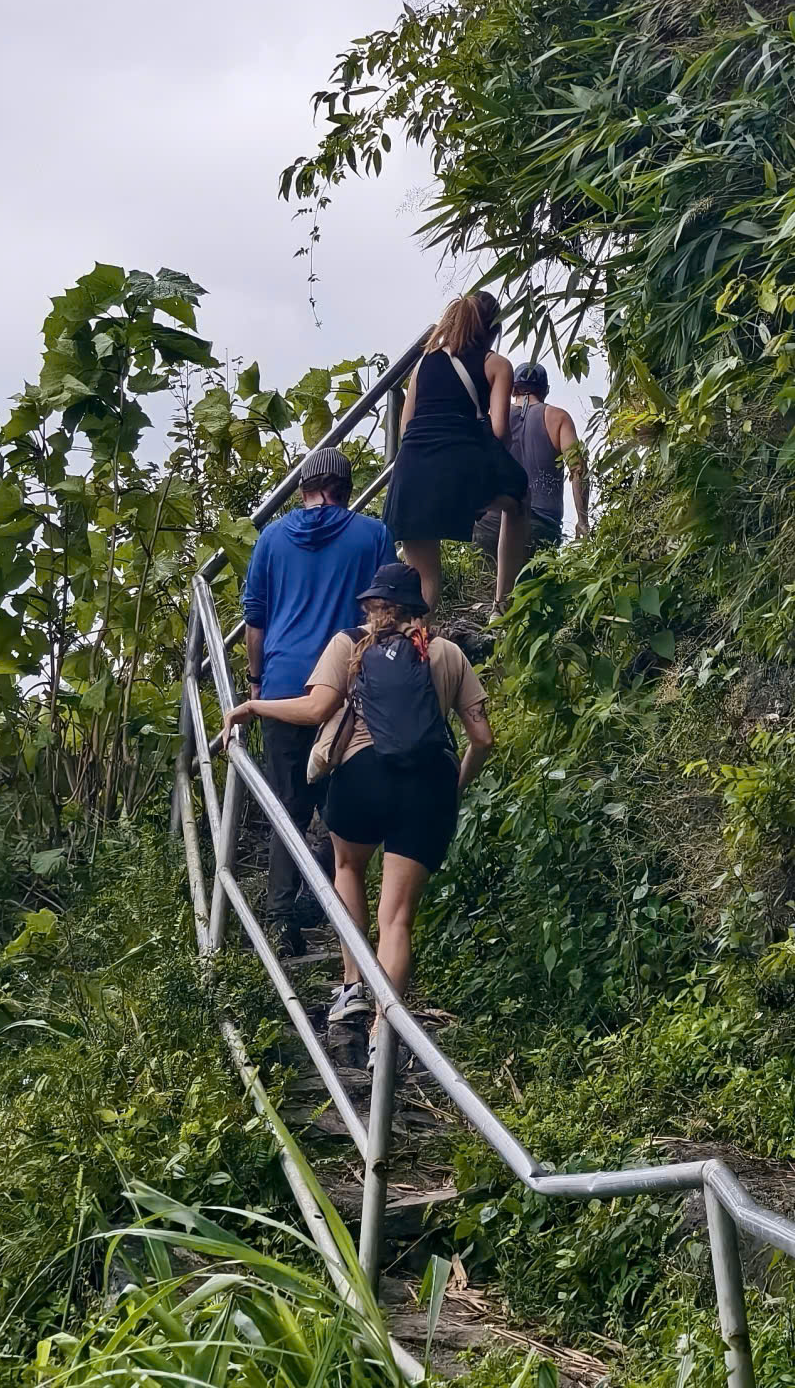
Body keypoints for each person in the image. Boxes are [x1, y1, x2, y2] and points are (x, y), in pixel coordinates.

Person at [223, 560, 492, 1067]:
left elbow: (315, 711)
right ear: (418, 608)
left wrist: (253, 707)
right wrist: (455, 784)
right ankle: (384, 1033)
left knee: (347, 867)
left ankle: (352, 987)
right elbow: (482, 738)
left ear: (372, 607)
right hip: (429, 784)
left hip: (362, 776)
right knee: (398, 920)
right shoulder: (448, 652)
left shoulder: (350, 644)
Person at [240, 442, 393, 952]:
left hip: (283, 689)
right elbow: (387, 612)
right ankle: (330, 899)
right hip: (347, 691)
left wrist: (256, 684)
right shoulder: (371, 535)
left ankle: (283, 922)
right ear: (345, 491)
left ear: (303, 488)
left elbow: (255, 624)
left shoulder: (269, 539)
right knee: (345, 804)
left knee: (287, 806)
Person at [384, 291, 529, 613]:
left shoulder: (423, 363)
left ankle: (413, 648)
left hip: (412, 471)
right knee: (518, 500)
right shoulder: (497, 364)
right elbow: (500, 431)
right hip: (459, 465)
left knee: (424, 579)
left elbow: (406, 428)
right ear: (493, 329)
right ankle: (501, 604)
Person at [472, 361, 590, 564]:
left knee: (489, 591)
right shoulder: (558, 418)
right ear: (545, 390)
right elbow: (578, 469)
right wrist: (582, 520)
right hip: (540, 525)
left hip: (491, 524)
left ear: (512, 390)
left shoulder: (494, 417)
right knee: (533, 592)